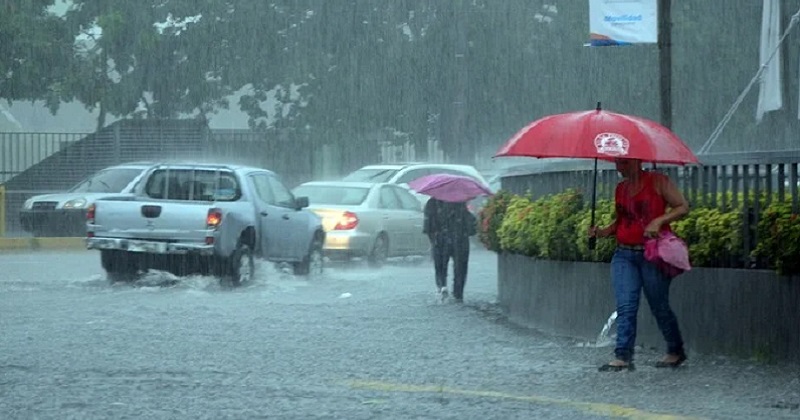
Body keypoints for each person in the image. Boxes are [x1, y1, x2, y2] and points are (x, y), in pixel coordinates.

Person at [589, 158, 690, 371]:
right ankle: (623, 356)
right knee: (626, 305)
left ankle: (675, 350)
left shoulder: (657, 182)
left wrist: (659, 221)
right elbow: (623, 221)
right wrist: (602, 232)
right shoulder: (621, 188)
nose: (619, 168)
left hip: (652, 254)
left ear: (637, 161)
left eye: (624, 163)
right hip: (624, 255)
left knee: (659, 306)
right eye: (617, 163)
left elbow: (682, 206)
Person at [423, 197, 477, 302]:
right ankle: (458, 294)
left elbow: (428, 227)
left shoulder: (431, 203)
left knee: (440, 267)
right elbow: (471, 226)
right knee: (460, 268)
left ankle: (442, 287)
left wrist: (433, 242)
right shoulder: (460, 201)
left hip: (440, 239)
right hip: (460, 240)